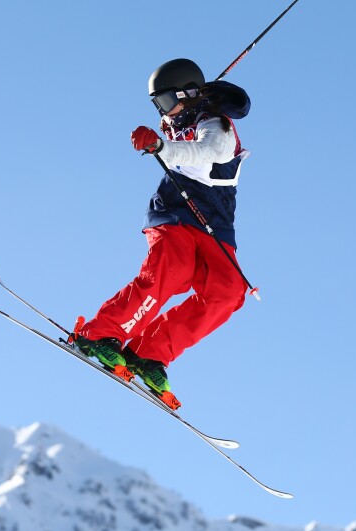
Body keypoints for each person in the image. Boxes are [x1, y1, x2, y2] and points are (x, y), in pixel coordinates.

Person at [71, 58, 253, 410]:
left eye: (168, 103)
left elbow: (200, 154)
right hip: (174, 212)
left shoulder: (218, 129)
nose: (165, 113)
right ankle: (103, 333)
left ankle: (149, 353)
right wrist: (161, 137)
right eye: (158, 105)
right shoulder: (178, 119)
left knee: (227, 292)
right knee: (172, 270)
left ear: (188, 95)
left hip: (215, 223)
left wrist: (160, 147)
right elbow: (175, 137)